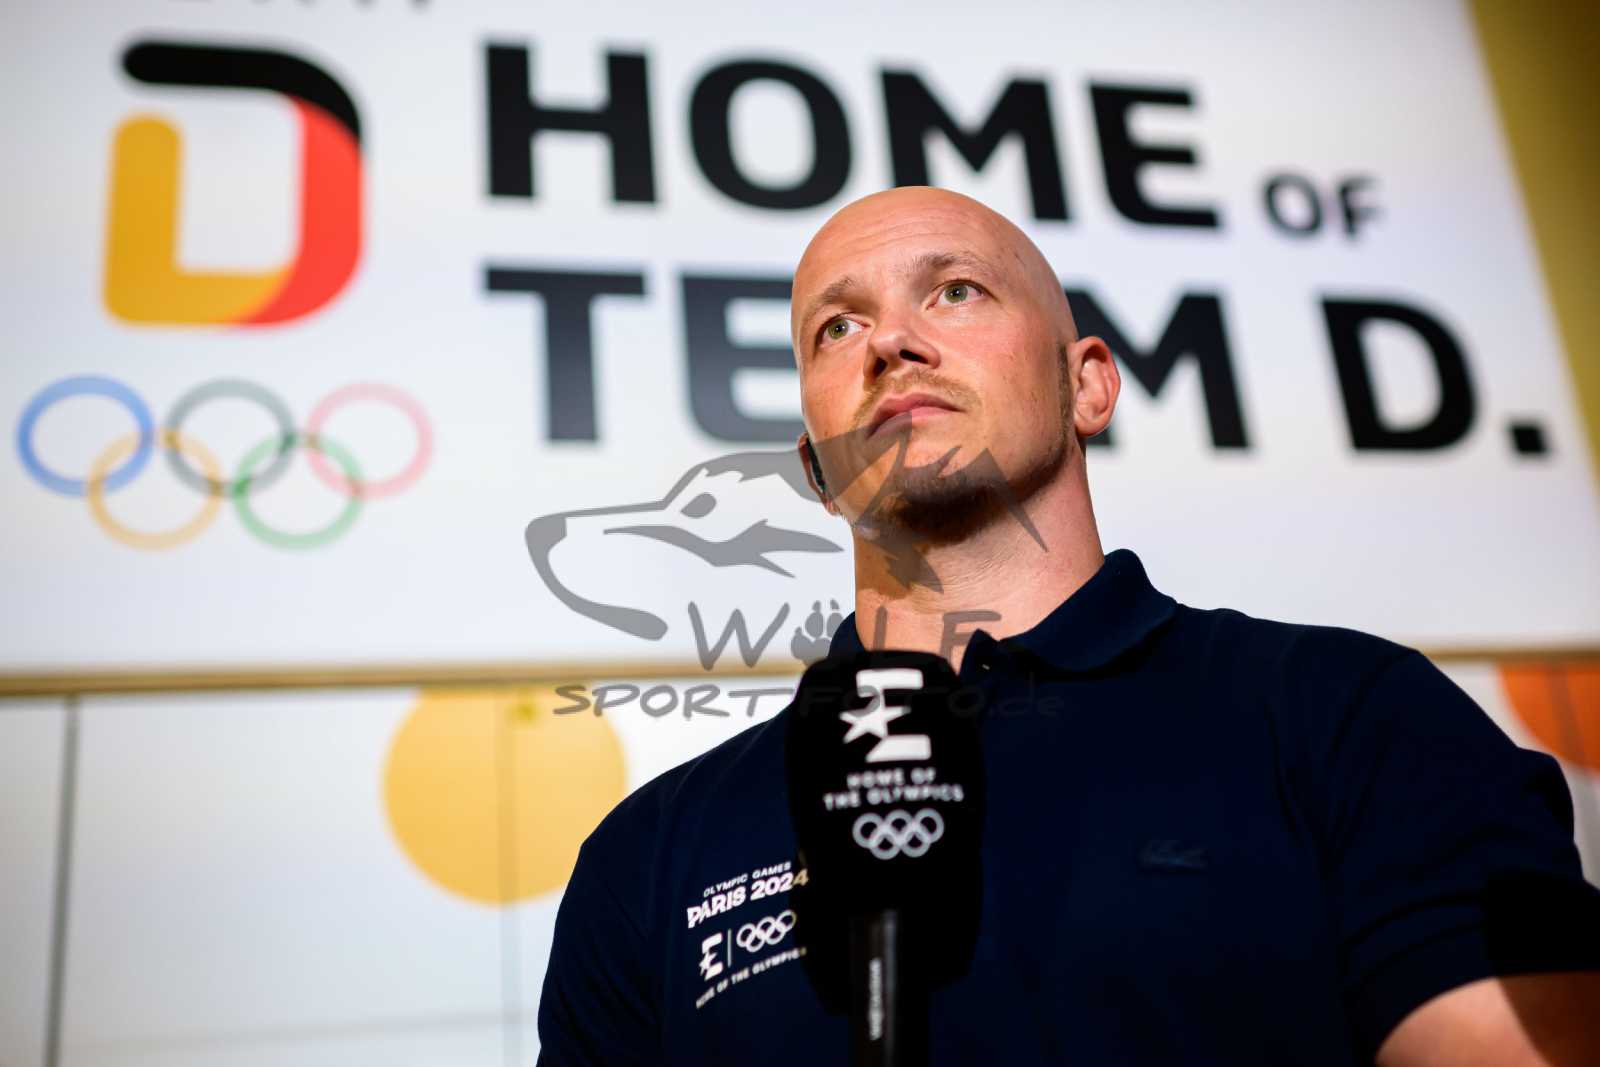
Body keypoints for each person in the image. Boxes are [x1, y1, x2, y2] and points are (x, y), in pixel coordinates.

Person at [535, 187, 1600, 1065]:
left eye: (953, 290)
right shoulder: (651, 855)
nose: (891, 341)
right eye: (837, 326)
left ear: (1087, 383)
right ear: (817, 469)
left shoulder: (1349, 715)